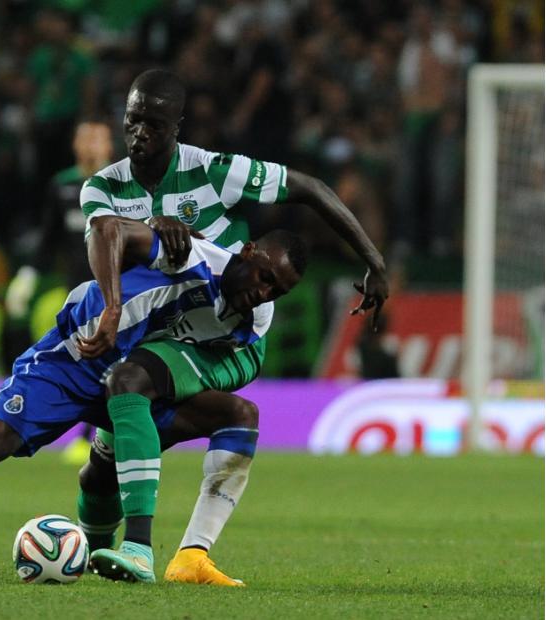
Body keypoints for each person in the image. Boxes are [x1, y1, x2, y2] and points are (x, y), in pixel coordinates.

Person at [0, 218, 307, 579]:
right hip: (72, 359)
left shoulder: (254, 317)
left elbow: (242, 363)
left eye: (277, 290)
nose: (264, 292)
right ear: (246, 252)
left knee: (238, 415)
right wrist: (118, 294)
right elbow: (106, 229)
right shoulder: (187, 254)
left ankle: (187, 556)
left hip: (134, 378)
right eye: (265, 277)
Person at [76, 69, 389, 584]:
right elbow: (104, 243)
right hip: (156, 327)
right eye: (134, 120)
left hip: (228, 337)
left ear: (176, 126)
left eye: (155, 123)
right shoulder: (105, 185)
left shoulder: (215, 171)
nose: (141, 132)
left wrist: (374, 261)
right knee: (111, 458)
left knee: (129, 387)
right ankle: (150, 556)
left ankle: (141, 549)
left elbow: (310, 188)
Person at [5, 118, 115, 465]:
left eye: (98, 139)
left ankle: (89, 437)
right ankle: (75, 432)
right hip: (78, 296)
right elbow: (48, 239)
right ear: (75, 145)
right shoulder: (63, 186)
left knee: (106, 363)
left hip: (118, 292)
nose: (91, 146)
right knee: (83, 364)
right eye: (86, 139)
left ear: (109, 146)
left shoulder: (124, 184)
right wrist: (26, 277)